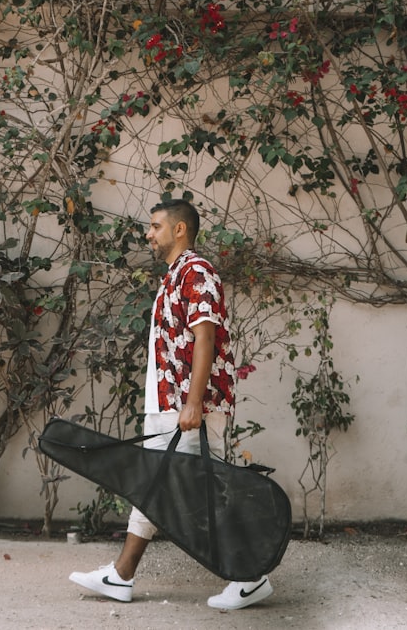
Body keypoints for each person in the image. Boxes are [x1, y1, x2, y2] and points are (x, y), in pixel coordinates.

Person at [68, 199, 273, 610]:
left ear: (179, 230)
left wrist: (193, 402)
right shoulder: (175, 276)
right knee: (160, 485)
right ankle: (122, 575)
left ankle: (249, 576)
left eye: (155, 225)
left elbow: (205, 338)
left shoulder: (196, 272)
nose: (149, 233)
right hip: (172, 403)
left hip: (189, 406)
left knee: (199, 489)